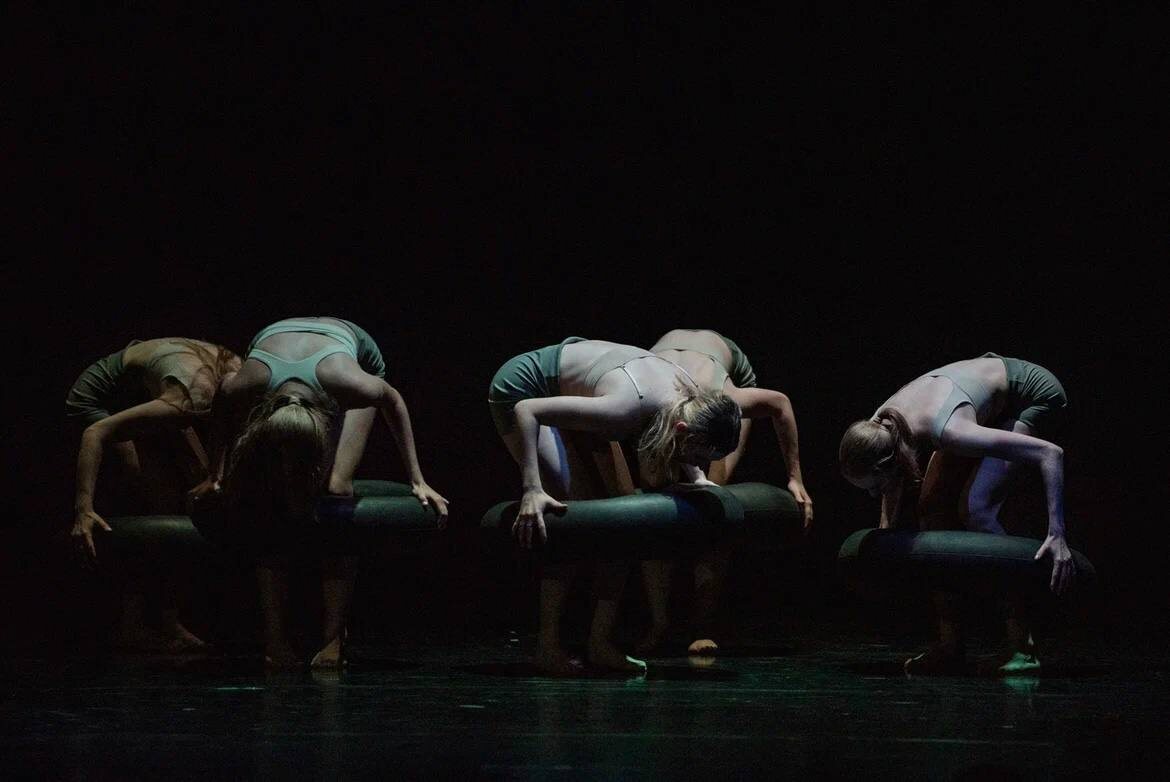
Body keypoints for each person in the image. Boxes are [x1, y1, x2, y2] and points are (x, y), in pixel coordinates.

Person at [489, 336, 742, 675]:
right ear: (682, 431)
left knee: (622, 526)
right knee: (569, 513)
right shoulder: (622, 411)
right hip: (525, 390)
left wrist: (698, 479)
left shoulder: (693, 400)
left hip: (589, 390)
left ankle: (600, 644)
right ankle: (547, 647)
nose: (696, 463)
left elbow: (683, 434)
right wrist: (532, 488)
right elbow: (528, 410)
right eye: (696, 457)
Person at [214, 317, 448, 668]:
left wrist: (417, 478)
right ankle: (274, 640)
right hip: (277, 351)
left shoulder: (352, 383)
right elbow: (221, 402)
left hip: (347, 359)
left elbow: (393, 400)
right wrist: (215, 474)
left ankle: (333, 636)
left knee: (336, 487)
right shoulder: (249, 383)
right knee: (270, 498)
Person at [839, 352, 1071, 674]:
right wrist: (884, 543)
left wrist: (1057, 533)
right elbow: (892, 483)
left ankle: (1023, 646)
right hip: (972, 403)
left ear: (889, 465)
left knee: (977, 508)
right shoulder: (878, 427)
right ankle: (950, 646)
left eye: (875, 487)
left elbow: (1050, 454)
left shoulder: (948, 430)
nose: (873, 494)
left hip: (1031, 395)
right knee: (930, 508)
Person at [636, 329, 812, 655]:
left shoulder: (725, 397)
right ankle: (658, 623)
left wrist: (795, 477)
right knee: (655, 493)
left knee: (713, 502)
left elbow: (780, 404)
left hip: (722, 367)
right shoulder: (645, 399)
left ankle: (702, 624)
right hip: (667, 376)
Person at [67, 337, 242, 651]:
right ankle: (132, 625)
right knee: (144, 485)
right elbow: (95, 432)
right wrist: (83, 508)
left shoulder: (237, 373)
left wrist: (214, 475)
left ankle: (169, 621)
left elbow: (220, 426)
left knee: (195, 485)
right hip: (101, 399)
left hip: (153, 389)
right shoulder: (190, 400)